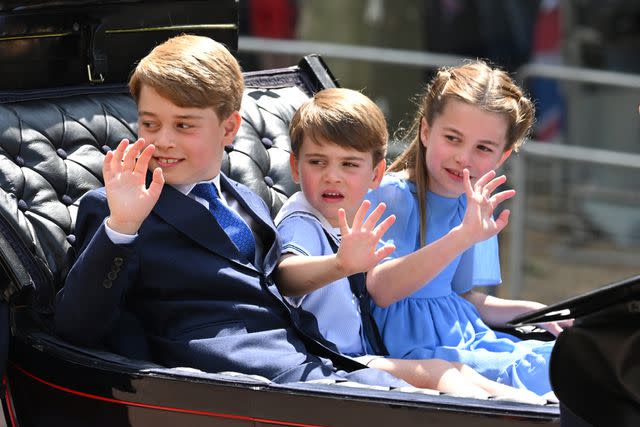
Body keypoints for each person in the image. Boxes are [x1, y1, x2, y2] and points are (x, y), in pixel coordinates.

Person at [54, 34, 408, 387]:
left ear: (229, 128)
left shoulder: (247, 199)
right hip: (230, 380)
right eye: (150, 123)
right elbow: (76, 326)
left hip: (310, 358)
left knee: (441, 396)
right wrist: (122, 226)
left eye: (183, 125)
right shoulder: (116, 208)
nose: (163, 139)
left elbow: (275, 287)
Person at [274, 87, 545, 403]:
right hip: (332, 360)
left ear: (375, 173)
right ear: (295, 167)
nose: (332, 176)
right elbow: (285, 275)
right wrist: (339, 265)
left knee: (456, 371)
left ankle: (537, 407)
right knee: (438, 373)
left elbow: (464, 296)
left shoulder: (350, 217)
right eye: (318, 162)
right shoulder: (302, 219)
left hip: (361, 352)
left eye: (348, 164)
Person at [364, 60, 572, 397]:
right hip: (420, 353)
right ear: (426, 131)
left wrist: (532, 310)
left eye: (483, 148)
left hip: (469, 337)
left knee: (563, 357)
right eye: (452, 138)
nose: (464, 157)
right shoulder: (389, 196)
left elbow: (466, 299)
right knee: (554, 374)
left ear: (502, 157)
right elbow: (382, 290)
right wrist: (462, 236)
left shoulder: (474, 203)